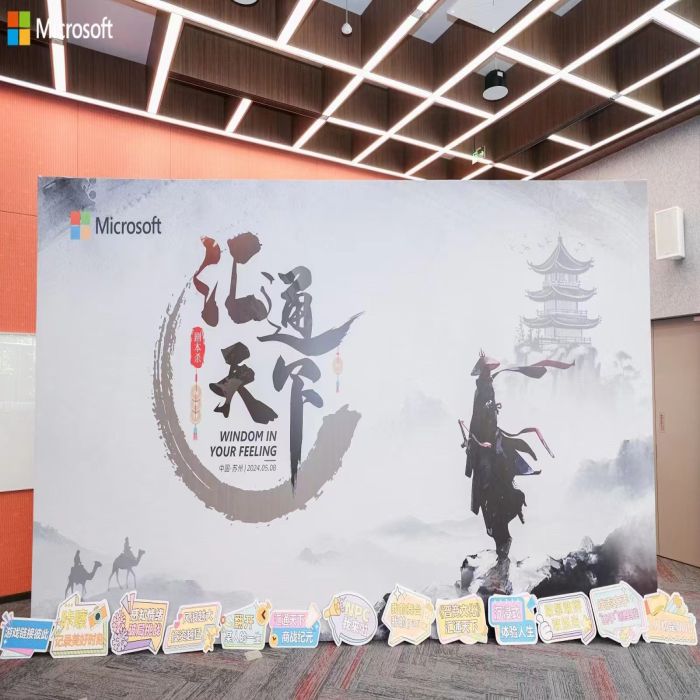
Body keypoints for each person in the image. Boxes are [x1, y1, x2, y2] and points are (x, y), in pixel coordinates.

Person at [461, 351, 572, 559]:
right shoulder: (482, 389)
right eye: (485, 371)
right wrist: (477, 441)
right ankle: (501, 541)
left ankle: (503, 540)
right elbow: (477, 421)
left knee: (493, 492)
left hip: (491, 446)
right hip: (485, 448)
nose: (488, 373)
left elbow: (484, 419)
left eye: (488, 370)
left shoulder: (486, 387)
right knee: (487, 493)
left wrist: (486, 429)